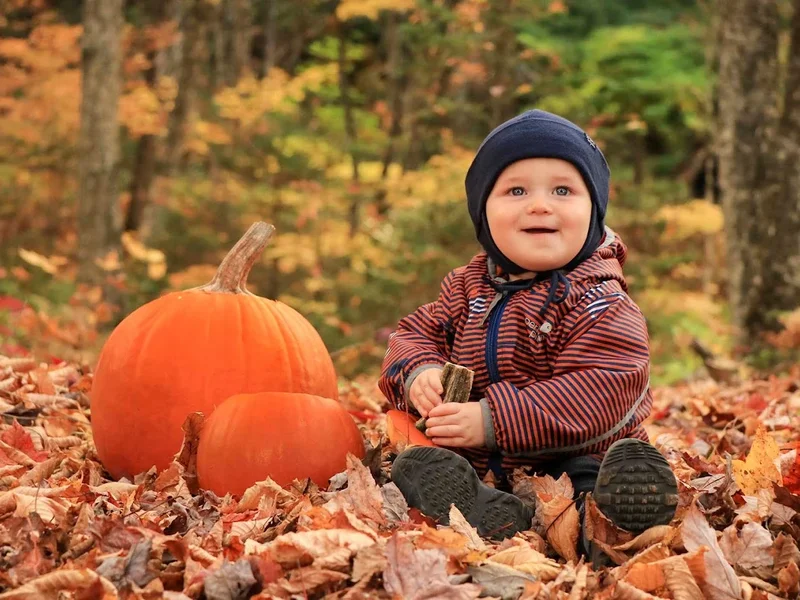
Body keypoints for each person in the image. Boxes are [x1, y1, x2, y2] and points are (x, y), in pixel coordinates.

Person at [378, 109, 678, 564]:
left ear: (593, 210)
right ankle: (493, 514)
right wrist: (419, 369)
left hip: (577, 458)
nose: (540, 205)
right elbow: (413, 332)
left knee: (588, 483)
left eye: (563, 190)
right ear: (483, 213)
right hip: (485, 470)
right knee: (410, 471)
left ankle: (609, 525)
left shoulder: (599, 301)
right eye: (516, 190)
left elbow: (599, 391)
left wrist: (492, 420)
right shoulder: (465, 289)